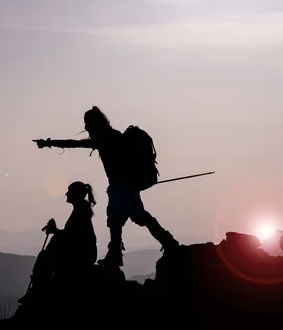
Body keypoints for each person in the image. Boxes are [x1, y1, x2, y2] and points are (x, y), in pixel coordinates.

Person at [33, 106, 179, 268]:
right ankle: (166, 242)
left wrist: (48, 143)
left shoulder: (103, 139)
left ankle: (118, 254)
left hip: (119, 188)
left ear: (95, 123)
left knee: (118, 220)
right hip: (128, 187)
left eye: (87, 124)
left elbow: (74, 144)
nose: (86, 127)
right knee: (136, 218)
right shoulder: (115, 136)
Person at [19, 181, 98, 304]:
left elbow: (72, 236)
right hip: (84, 253)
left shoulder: (80, 213)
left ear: (75, 195)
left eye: (69, 192)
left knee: (44, 256)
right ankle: (38, 288)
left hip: (82, 255)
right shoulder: (80, 210)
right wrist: (55, 231)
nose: (66, 194)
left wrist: (55, 231)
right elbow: (72, 235)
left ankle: (37, 290)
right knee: (49, 250)